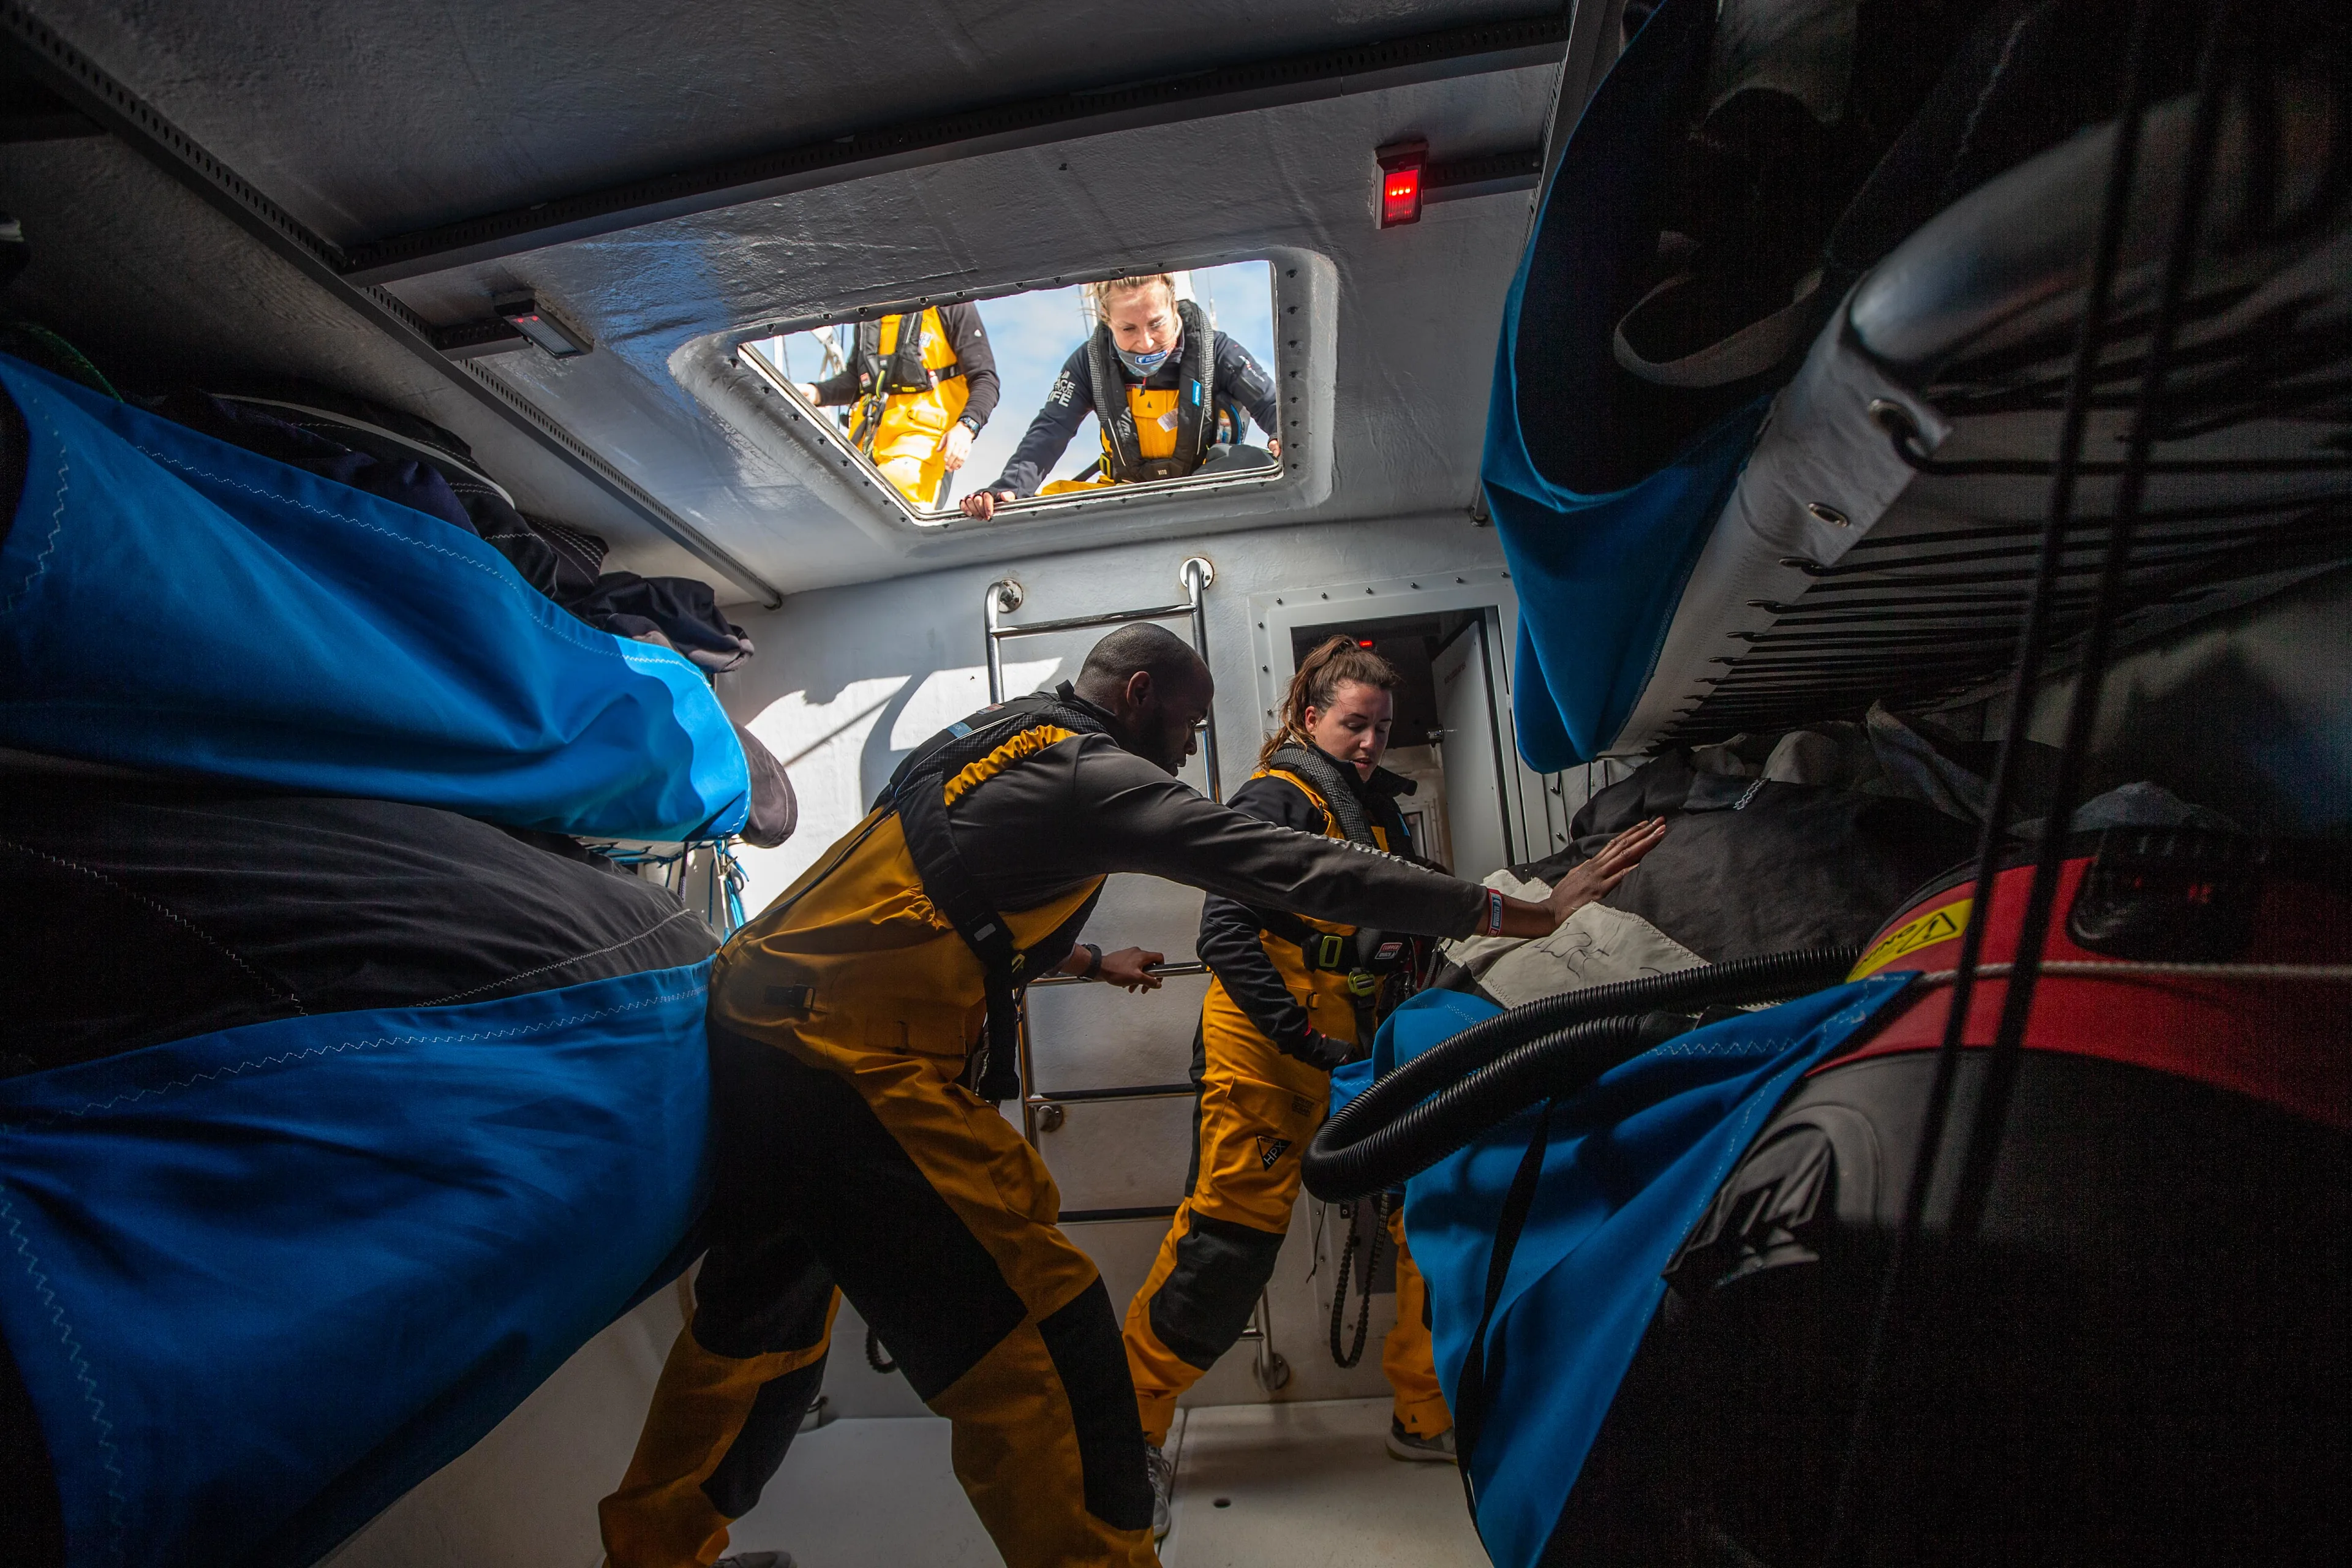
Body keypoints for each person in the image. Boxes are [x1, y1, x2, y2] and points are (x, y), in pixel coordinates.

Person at [596, 624, 1660, 1568]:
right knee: (1050, 1354)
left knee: (759, 1334)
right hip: (847, 1054)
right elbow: (1283, 868)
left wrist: (1090, 960)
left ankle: (656, 1554)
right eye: (1191, 723)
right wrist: (1518, 914)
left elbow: (937, 891)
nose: (1197, 745)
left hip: (765, 1023)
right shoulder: (1089, 774)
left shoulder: (988, 740)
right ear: (1140, 693)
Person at [1119, 639, 1667, 1530]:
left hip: (1364, 1046)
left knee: (1434, 1215)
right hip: (1267, 1048)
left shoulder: (1378, 819)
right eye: (1353, 723)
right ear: (1308, 718)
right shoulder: (1277, 800)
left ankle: (1426, 1413)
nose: (1372, 742)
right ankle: (1127, 1434)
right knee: (1227, 1246)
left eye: (1382, 727)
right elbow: (1224, 934)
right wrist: (1303, 1039)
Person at [958, 274, 1280, 519]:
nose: (1146, 342)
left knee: (1257, 462)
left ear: (1174, 307)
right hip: (1128, 503)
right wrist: (1009, 489)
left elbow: (1272, 404)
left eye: (1157, 324)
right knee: (1049, 501)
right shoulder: (1088, 364)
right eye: (1128, 329)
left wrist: (1285, 435)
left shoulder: (1217, 351)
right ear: (1106, 320)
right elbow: (1050, 430)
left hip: (1204, 495)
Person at [796, 303, 999, 508]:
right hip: (864, 446)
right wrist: (816, 393)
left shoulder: (952, 304)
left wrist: (966, 427)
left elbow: (985, 379)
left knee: (889, 496)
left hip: (922, 447)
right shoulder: (870, 309)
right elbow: (856, 379)